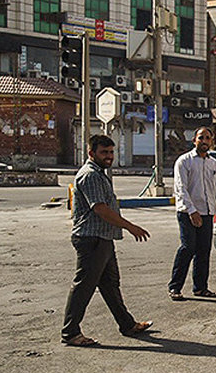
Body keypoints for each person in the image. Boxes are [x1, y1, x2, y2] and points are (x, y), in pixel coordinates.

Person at [61, 135, 153, 346]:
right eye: (104, 152)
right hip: (91, 239)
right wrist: (130, 226)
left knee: (110, 285)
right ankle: (70, 333)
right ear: (91, 153)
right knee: (84, 286)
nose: (109, 156)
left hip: (103, 238)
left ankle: (127, 324)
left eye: (111, 152)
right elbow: (100, 209)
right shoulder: (90, 175)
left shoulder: (100, 173)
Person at [168, 127, 216, 300]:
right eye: (201, 137)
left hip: (207, 212)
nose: (204, 141)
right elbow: (181, 189)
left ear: (212, 141)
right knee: (188, 248)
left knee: (203, 251)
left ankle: (200, 288)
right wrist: (192, 211)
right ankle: (175, 287)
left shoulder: (213, 164)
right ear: (194, 140)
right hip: (187, 213)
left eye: (208, 138)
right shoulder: (184, 162)